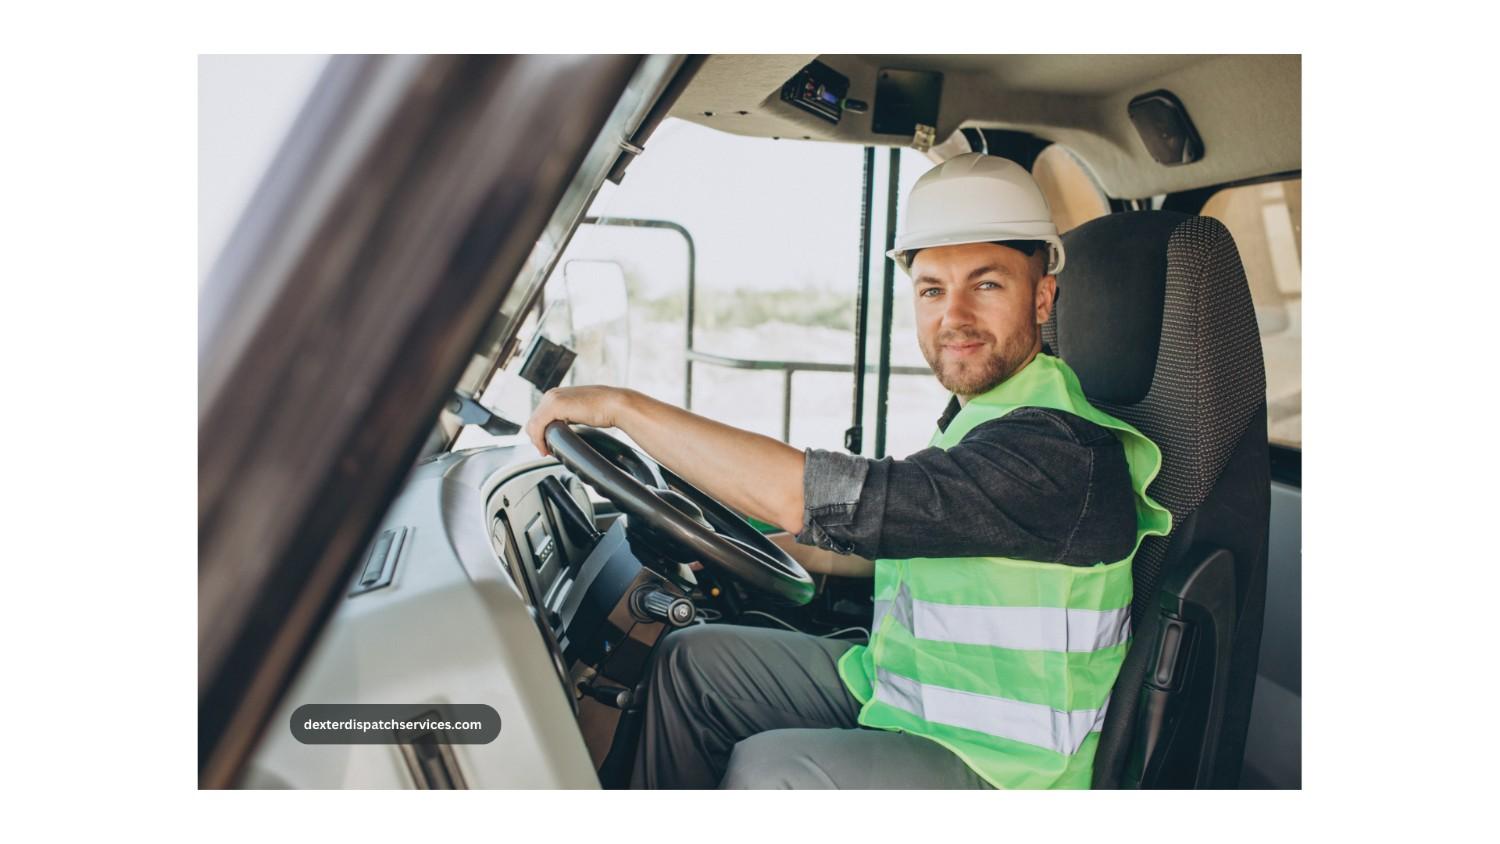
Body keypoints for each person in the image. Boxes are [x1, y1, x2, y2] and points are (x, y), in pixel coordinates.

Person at [524, 153, 1171, 789]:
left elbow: (825, 499)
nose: (955, 318)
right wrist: (750, 552)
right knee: (692, 663)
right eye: (932, 290)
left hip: (1007, 768)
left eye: (988, 283)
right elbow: (906, 535)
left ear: (1043, 297)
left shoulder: (1057, 450)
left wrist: (620, 407)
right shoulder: (992, 418)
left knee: (773, 775)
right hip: (914, 694)